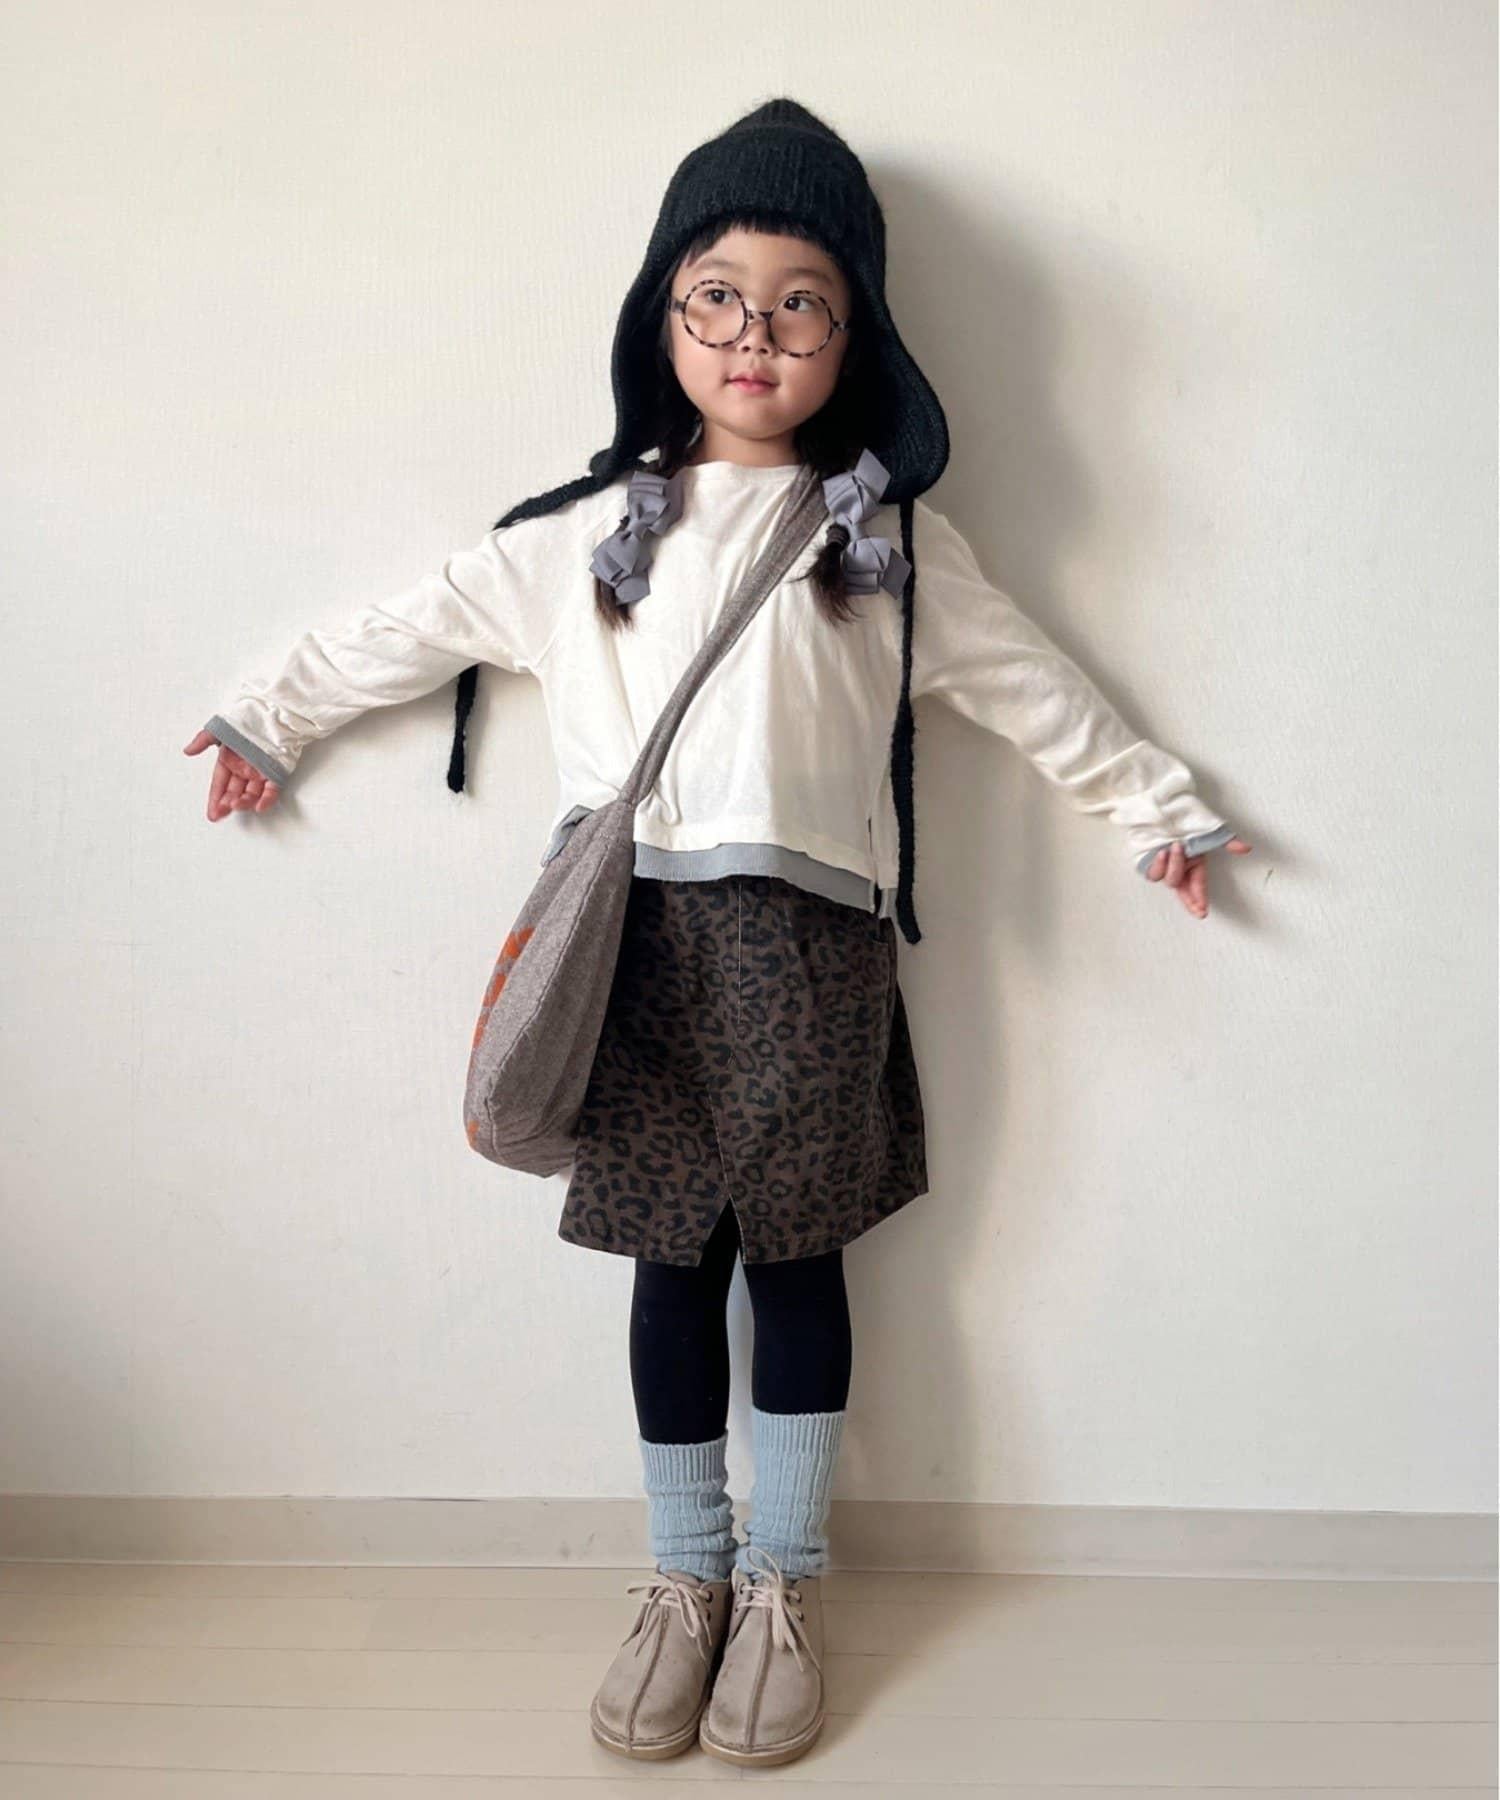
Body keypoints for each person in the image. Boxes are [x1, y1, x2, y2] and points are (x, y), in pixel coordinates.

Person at [184, 99, 1251, 1770]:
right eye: (719, 297)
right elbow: (409, 624)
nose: (756, 334)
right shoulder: (583, 537)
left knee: (801, 1262)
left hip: (816, 951)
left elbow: (1036, 689)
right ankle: (685, 1576)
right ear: (663, 317)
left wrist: (1155, 808)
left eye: (800, 303)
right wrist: (271, 713)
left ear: (855, 332)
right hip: (637, 951)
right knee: (671, 1264)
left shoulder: (886, 542)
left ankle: (785, 1583)